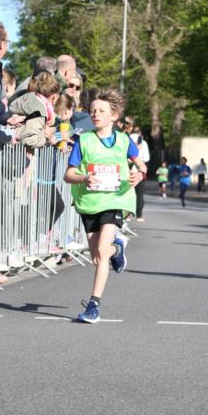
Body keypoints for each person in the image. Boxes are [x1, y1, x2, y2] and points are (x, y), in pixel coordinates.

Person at [65, 88, 146, 323]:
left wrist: (139, 175)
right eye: (92, 111)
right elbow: (68, 174)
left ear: (114, 115)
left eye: (101, 111)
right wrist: (84, 178)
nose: (95, 114)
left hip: (116, 199)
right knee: (97, 258)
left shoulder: (124, 140)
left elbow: (141, 167)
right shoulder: (84, 140)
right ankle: (117, 248)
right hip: (89, 201)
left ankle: (94, 305)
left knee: (101, 250)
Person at [131, 127, 151, 221]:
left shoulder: (127, 138)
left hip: (128, 170)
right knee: (139, 195)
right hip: (139, 171)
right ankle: (139, 215)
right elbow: (146, 158)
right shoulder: (143, 142)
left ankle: (126, 216)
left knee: (127, 193)